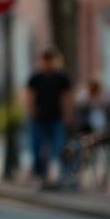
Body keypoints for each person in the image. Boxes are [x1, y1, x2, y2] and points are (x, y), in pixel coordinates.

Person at [24, 46, 72, 186]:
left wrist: (68, 115)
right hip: (39, 119)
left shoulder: (61, 78)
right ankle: (40, 175)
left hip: (56, 118)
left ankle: (60, 175)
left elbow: (67, 97)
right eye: (45, 60)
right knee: (37, 148)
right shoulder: (35, 78)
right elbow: (29, 97)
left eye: (50, 60)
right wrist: (31, 113)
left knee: (59, 147)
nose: (47, 63)